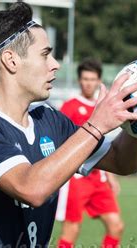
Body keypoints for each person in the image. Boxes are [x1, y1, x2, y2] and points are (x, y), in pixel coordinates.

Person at [0, 2, 137, 247]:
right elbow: (31, 188)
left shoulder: (48, 118)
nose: (55, 64)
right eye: (45, 54)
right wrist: (96, 125)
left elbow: (121, 161)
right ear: (11, 61)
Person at [56, 58, 124, 248]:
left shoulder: (102, 107)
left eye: (92, 79)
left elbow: (105, 144)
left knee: (116, 226)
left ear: (99, 80)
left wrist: (111, 177)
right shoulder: (70, 106)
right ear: (79, 80)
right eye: (85, 79)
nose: (88, 83)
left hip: (98, 178)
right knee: (72, 230)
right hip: (76, 178)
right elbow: (61, 140)